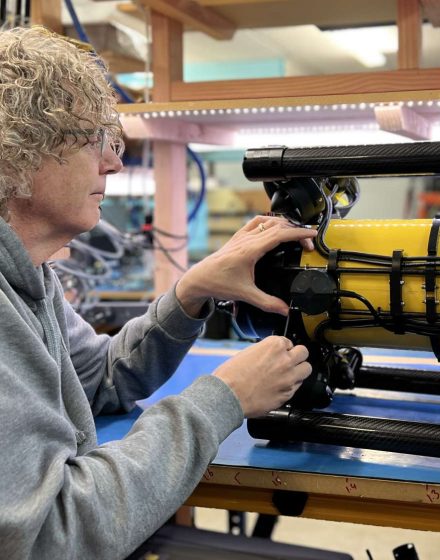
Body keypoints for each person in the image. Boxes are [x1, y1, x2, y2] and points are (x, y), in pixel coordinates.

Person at [0, 26, 316, 559]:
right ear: (22, 151)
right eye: (95, 140)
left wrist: (191, 291)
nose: (114, 163)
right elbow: (51, 534)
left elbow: (100, 379)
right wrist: (225, 398)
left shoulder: (30, 279)